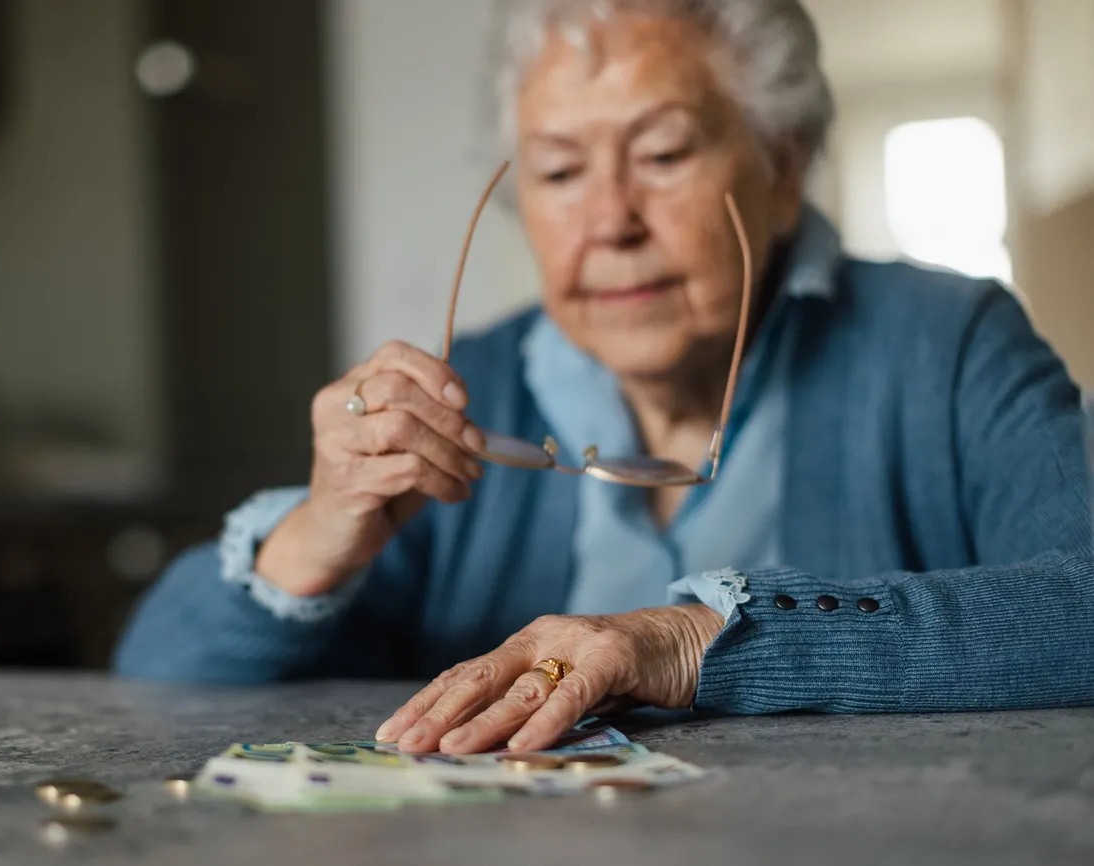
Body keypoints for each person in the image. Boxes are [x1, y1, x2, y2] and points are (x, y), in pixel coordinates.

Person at [113, 0, 1094, 754]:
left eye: (662, 153)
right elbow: (152, 685)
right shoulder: (467, 395)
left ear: (782, 169)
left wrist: (686, 639)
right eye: (556, 170)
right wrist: (318, 533)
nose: (610, 222)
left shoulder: (944, 344)